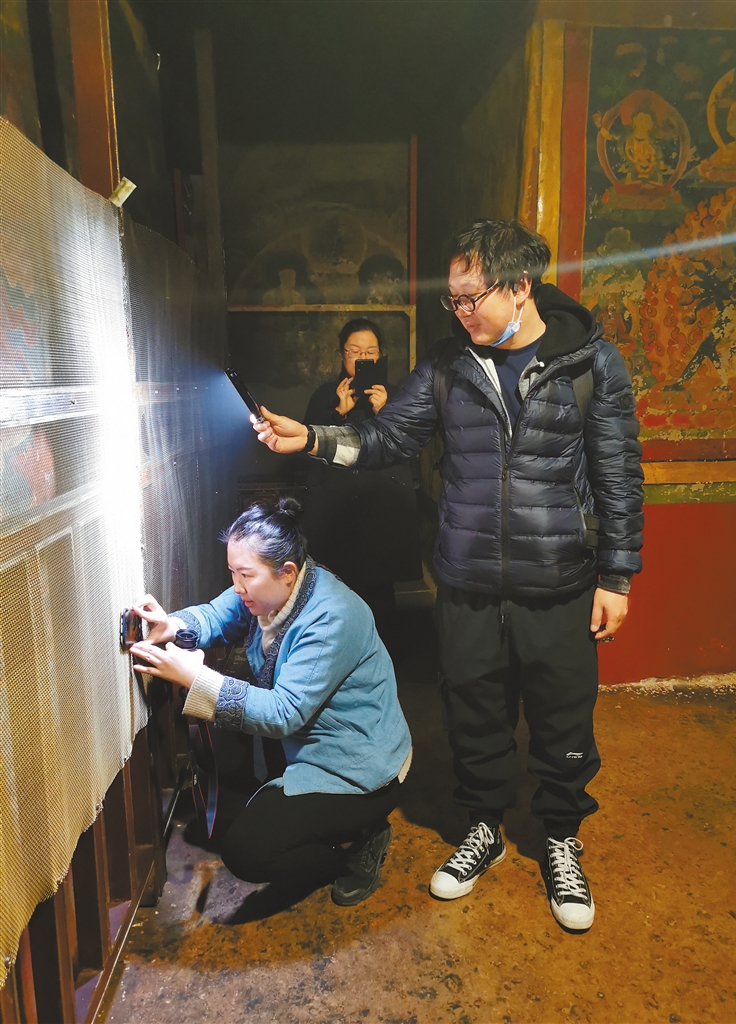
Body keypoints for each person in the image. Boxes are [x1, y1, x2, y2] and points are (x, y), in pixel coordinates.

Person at [253, 220, 644, 932]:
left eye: (472, 297)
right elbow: (385, 439)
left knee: (562, 718)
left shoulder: (591, 363)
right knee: (473, 714)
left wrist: (616, 576)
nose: (460, 312)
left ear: (520, 287)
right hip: (466, 581)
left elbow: (617, 473)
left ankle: (560, 838)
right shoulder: (446, 366)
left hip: (559, 581)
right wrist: (310, 438)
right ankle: (483, 828)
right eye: (452, 299)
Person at [130, 497, 412, 908]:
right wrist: (172, 624)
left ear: (288, 571)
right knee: (214, 750)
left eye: (245, 574)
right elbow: (217, 615)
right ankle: (302, 815)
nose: (237, 586)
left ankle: (357, 848)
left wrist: (196, 678)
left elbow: (284, 713)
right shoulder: (272, 590)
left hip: (357, 766)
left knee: (247, 852)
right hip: (306, 740)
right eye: (232, 572)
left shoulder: (332, 616)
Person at [301, 318, 421, 641]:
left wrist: (386, 412)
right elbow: (309, 448)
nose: (363, 358)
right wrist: (338, 413)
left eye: (371, 352)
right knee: (338, 588)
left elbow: (409, 446)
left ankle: (385, 657)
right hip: (338, 510)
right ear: (343, 354)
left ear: (380, 356)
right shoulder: (324, 395)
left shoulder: (397, 395)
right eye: (355, 351)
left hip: (382, 509)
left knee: (381, 591)